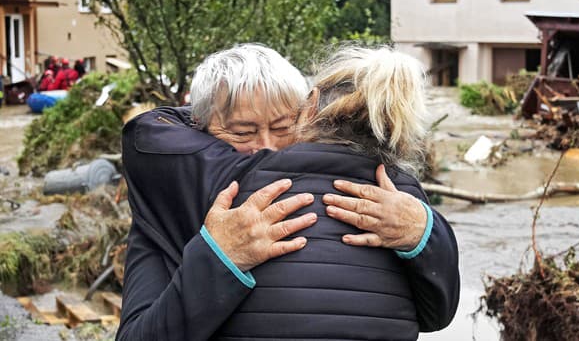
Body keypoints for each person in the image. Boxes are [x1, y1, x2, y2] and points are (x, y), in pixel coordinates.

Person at [118, 44, 459, 340]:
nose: (266, 147)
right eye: (242, 132)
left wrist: (422, 232)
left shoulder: (394, 203)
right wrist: (219, 258)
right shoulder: (171, 197)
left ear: (308, 114)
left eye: (282, 128)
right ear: (197, 129)